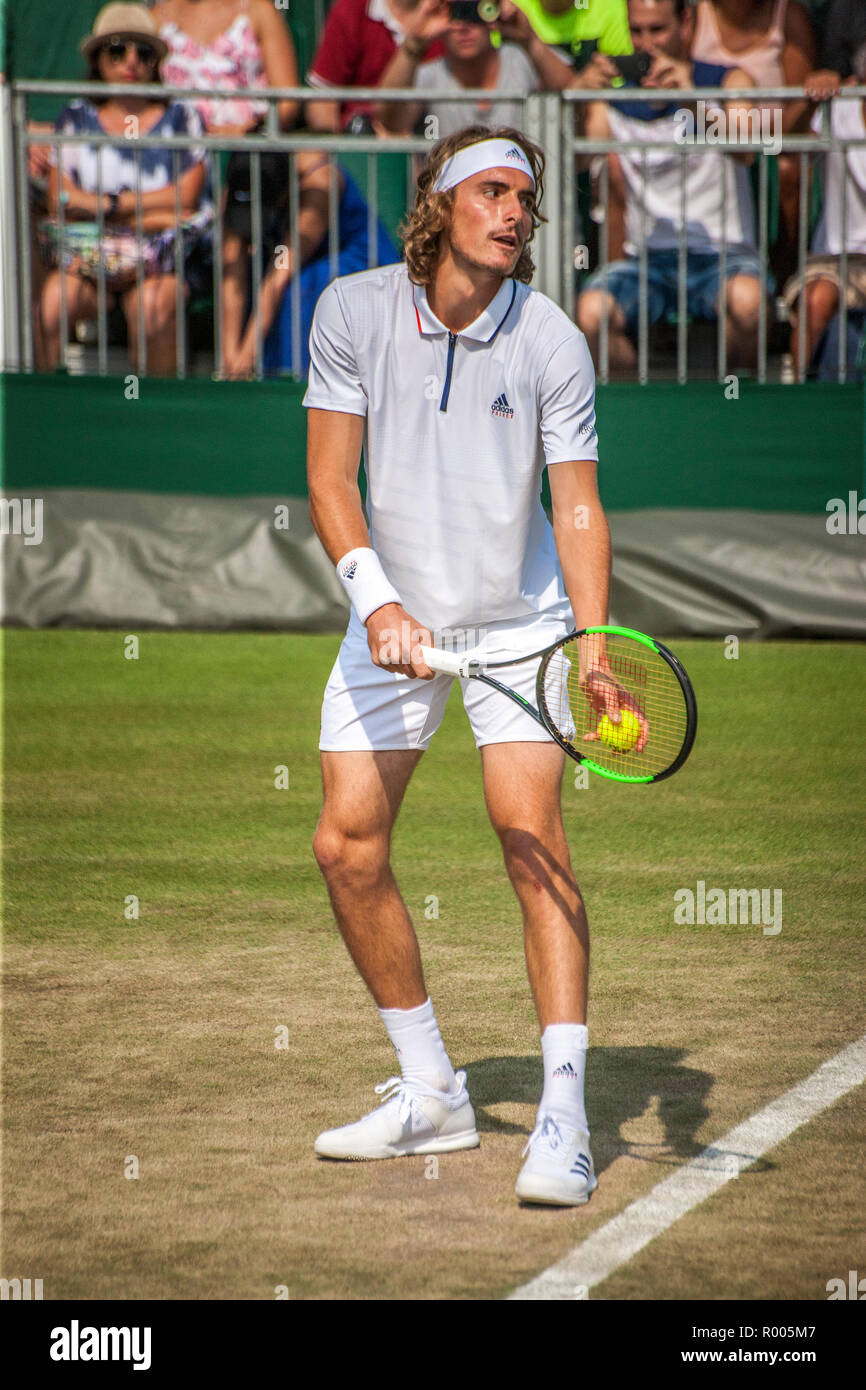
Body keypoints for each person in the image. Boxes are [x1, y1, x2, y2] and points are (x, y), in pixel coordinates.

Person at [304, 123, 619, 1206]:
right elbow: (331, 482)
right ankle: (431, 1088)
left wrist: (591, 642)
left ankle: (565, 1116)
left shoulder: (550, 339)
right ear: (440, 203)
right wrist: (377, 602)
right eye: (491, 191)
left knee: (526, 832)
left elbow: (573, 499)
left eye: (524, 200)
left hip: (518, 617)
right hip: (390, 608)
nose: (514, 212)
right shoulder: (350, 311)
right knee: (346, 843)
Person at [576, 0, 767, 374]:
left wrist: (690, 100)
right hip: (645, 260)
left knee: (749, 303)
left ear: (686, 23)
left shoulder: (730, 80)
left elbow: (746, 150)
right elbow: (578, 160)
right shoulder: (616, 97)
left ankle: (731, 407)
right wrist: (578, 96)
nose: (647, 43)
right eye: (637, 31)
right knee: (591, 312)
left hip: (724, 257)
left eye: (657, 29)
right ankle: (647, 412)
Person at [37, 2, 212, 377]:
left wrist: (101, 205)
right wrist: (140, 210)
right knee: (53, 302)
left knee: (154, 306)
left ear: (156, 62)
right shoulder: (74, 117)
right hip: (87, 263)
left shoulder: (183, 117)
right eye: (118, 49)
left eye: (143, 51)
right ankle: (50, 421)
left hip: (163, 262)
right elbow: (59, 200)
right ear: (98, 59)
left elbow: (186, 204)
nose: (130, 61)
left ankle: (154, 424)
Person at [152, 0, 301, 375]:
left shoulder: (260, 10)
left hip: (250, 159)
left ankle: (232, 364)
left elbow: (288, 102)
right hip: (176, 169)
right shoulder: (158, 16)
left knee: (234, 235)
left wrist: (244, 132)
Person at [221, 155, 398, 378]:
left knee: (301, 291)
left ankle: (300, 384)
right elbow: (232, 271)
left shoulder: (321, 184)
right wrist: (229, 356)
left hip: (355, 260)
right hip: (289, 260)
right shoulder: (235, 189)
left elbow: (279, 276)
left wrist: (246, 357)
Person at [690, 0, 817, 285]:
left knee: (789, 170)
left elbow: (800, 107)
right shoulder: (697, 14)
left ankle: (785, 277)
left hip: (773, 145)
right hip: (712, 146)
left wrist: (752, 140)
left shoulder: (789, 15)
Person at [783, 42, 866, 378]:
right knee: (816, 301)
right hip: (834, 259)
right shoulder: (839, 107)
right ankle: (796, 400)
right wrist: (811, 97)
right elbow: (786, 142)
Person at [375, 0, 574, 138]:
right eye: (454, 13)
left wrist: (530, 40)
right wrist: (415, 42)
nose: (464, 27)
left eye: (473, 11)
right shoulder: (428, 76)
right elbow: (391, 121)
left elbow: (572, 95)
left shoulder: (521, 60)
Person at [305, 0, 447, 134]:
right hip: (356, 141)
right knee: (310, 158)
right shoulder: (352, 8)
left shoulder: (450, 12)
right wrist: (337, 151)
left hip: (431, 140)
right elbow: (323, 99)